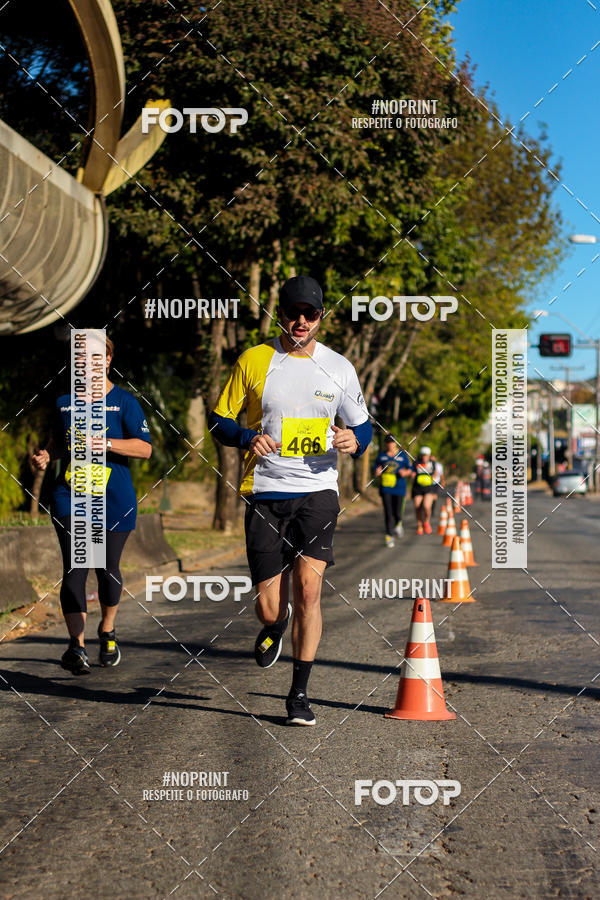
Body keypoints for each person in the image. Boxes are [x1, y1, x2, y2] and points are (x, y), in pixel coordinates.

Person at [209, 275, 372, 726]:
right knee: (268, 604)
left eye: (311, 314)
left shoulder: (339, 367)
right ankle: (274, 626)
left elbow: (363, 427)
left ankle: (298, 694)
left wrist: (351, 440)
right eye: (293, 313)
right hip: (265, 490)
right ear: (280, 314)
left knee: (309, 589)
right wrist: (247, 437)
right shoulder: (255, 360)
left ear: (322, 317)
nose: (301, 321)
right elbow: (218, 420)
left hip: (318, 491)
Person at [31, 333, 152, 675]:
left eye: (96, 356)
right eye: (81, 356)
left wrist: (107, 442)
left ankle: (108, 630)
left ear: (109, 360)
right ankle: (77, 647)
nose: (88, 362)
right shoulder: (63, 403)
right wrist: (46, 456)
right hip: (71, 495)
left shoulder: (125, 402)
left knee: (107, 571)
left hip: (114, 498)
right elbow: (57, 445)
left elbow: (145, 449)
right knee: (74, 570)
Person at [373, 434, 412, 547]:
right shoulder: (382, 456)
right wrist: (377, 471)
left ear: (396, 443)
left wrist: (405, 473)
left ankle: (398, 524)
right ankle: (389, 536)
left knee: (397, 513)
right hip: (386, 488)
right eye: (388, 442)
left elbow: (410, 469)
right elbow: (375, 468)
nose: (390, 444)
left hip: (399, 488)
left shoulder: (402, 456)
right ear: (386, 444)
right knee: (388, 513)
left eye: (392, 442)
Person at [411, 446, 437, 535]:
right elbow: (413, 472)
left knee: (426, 507)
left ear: (429, 456)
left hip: (428, 488)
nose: (424, 457)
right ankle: (419, 525)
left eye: (426, 455)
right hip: (417, 488)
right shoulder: (416, 463)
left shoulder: (432, 463)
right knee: (417, 507)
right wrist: (412, 475)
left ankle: (426, 521)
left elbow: (435, 474)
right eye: (423, 455)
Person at [431, 454, 444, 518]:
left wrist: (442, 482)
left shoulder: (439, 465)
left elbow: (441, 474)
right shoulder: (428, 465)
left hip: (436, 482)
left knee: (434, 496)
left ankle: (432, 510)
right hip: (429, 483)